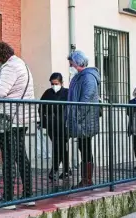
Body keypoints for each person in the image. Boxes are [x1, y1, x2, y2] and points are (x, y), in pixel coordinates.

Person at [0, 42, 36, 209]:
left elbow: (0, 91)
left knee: (8, 157)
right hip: (21, 117)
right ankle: (28, 195)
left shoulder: (9, 67)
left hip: (9, 118)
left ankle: (8, 198)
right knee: (21, 155)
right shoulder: (20, 63)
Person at [67, 50, 100, 188]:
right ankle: (85, 179)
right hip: (80, 119)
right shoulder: (78, 77)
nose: (70, 66)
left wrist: (77, 116)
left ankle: (87, 180)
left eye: (71, 63)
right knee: (83, 147)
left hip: (85, 120)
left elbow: (86, 98)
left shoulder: (88, 77)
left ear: (77, 63)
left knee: (85, 148)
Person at [38, 72, 71, 181]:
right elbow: (41, 108)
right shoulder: (48, 92)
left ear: (61, 83)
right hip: (51, 126)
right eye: (52, 83)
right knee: (60, 147)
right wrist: (43, 121)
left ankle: (54, 170)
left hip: (64, 126)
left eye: (56, 83)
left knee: (59, 147)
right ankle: (66, 170)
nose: (54, 86)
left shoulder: (67, 93)